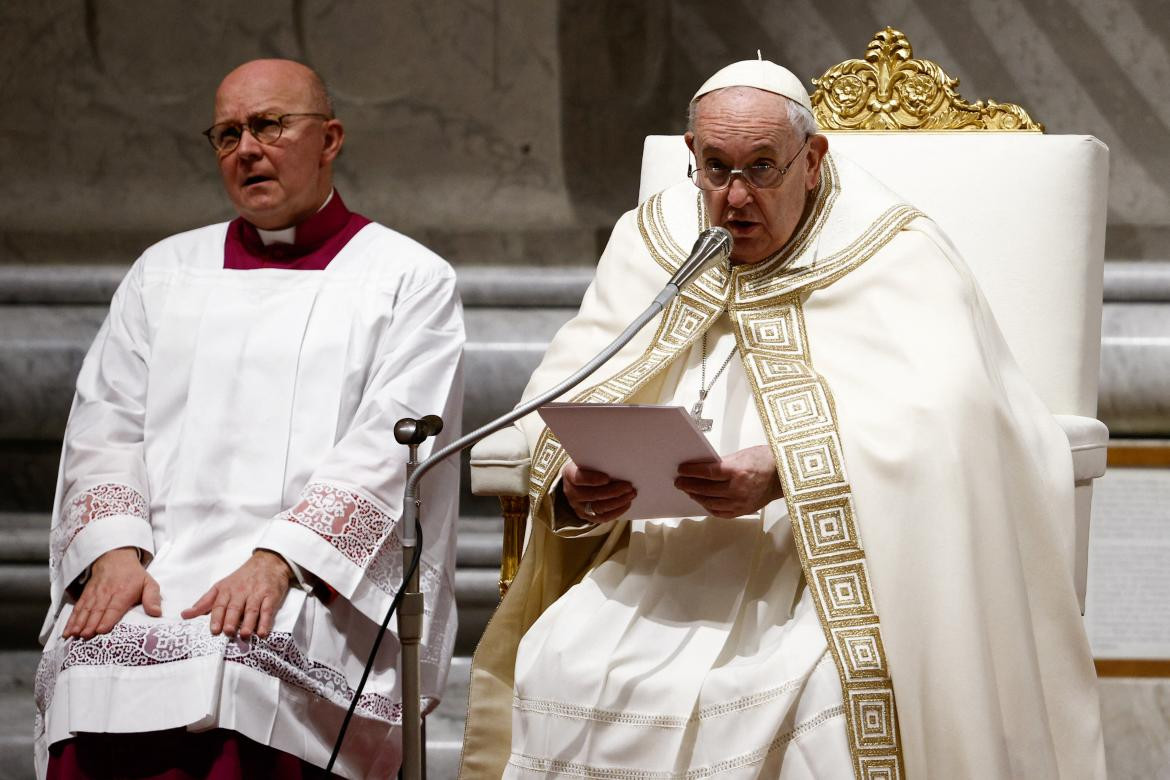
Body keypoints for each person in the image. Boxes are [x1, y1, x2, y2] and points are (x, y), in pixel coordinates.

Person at [460, 60, 1105, 778]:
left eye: (761, 168)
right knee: (566, 662)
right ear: (690, 158)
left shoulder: (891, 249)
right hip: (660, 563)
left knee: (822, 695)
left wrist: (783, 472)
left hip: (828, 571)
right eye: (715, 168)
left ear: (813, 160)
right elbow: (570, 386)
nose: (734, 198)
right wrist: (577, 491)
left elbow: (956, 418)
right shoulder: (655, 241)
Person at [34, 59, 464, 779]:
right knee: (86, 661)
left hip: (307, 576)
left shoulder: (406, 278)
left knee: (243, 663)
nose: (247, 149)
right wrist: (114, 551)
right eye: (227, 134)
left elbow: (392, 446)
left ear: (329, 138)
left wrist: (280, 561)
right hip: (158, 567)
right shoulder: (165, 272)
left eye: (269, 125)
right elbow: (104, 425)